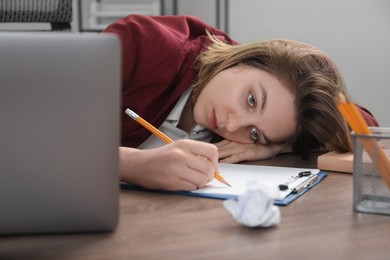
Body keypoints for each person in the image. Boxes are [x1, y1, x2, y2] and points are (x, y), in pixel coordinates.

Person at [103, 14, 379, 191]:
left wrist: (277, 145)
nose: (231, 124)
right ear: (245, 58)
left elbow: (363, 126)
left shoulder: (251, 91)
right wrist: (132, 165)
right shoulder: (144, 44)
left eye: (255, 133)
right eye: (250, 100)